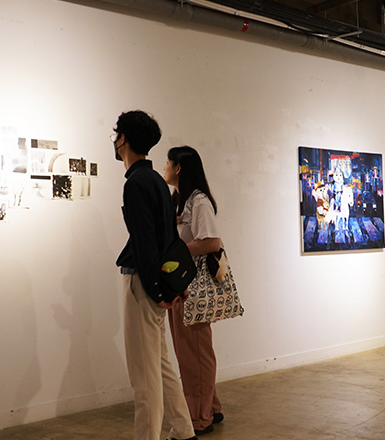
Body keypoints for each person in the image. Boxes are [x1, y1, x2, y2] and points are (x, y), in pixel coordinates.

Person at [112, 110, 198, 440]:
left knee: (144, 377)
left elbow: (147, 242)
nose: (114, 140)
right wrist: (173, 284)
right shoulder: (156, 182)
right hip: (155, 282)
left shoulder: (136, 183)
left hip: (142, 284)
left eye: (116, 134)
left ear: (123, 139)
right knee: (160, 366)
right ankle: (184, 431)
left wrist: (157, 289)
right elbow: (168, 239)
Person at [162, 146, 225, 435]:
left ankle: (200, 418)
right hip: (181, 285)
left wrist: (176, 251)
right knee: (189, 351)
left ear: (178, 168)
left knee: (195, 353)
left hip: (193, 288)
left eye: (168, 162)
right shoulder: (180, 201)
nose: (165, 167)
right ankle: (210, 407)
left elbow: (212, 242)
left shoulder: (198, 201)